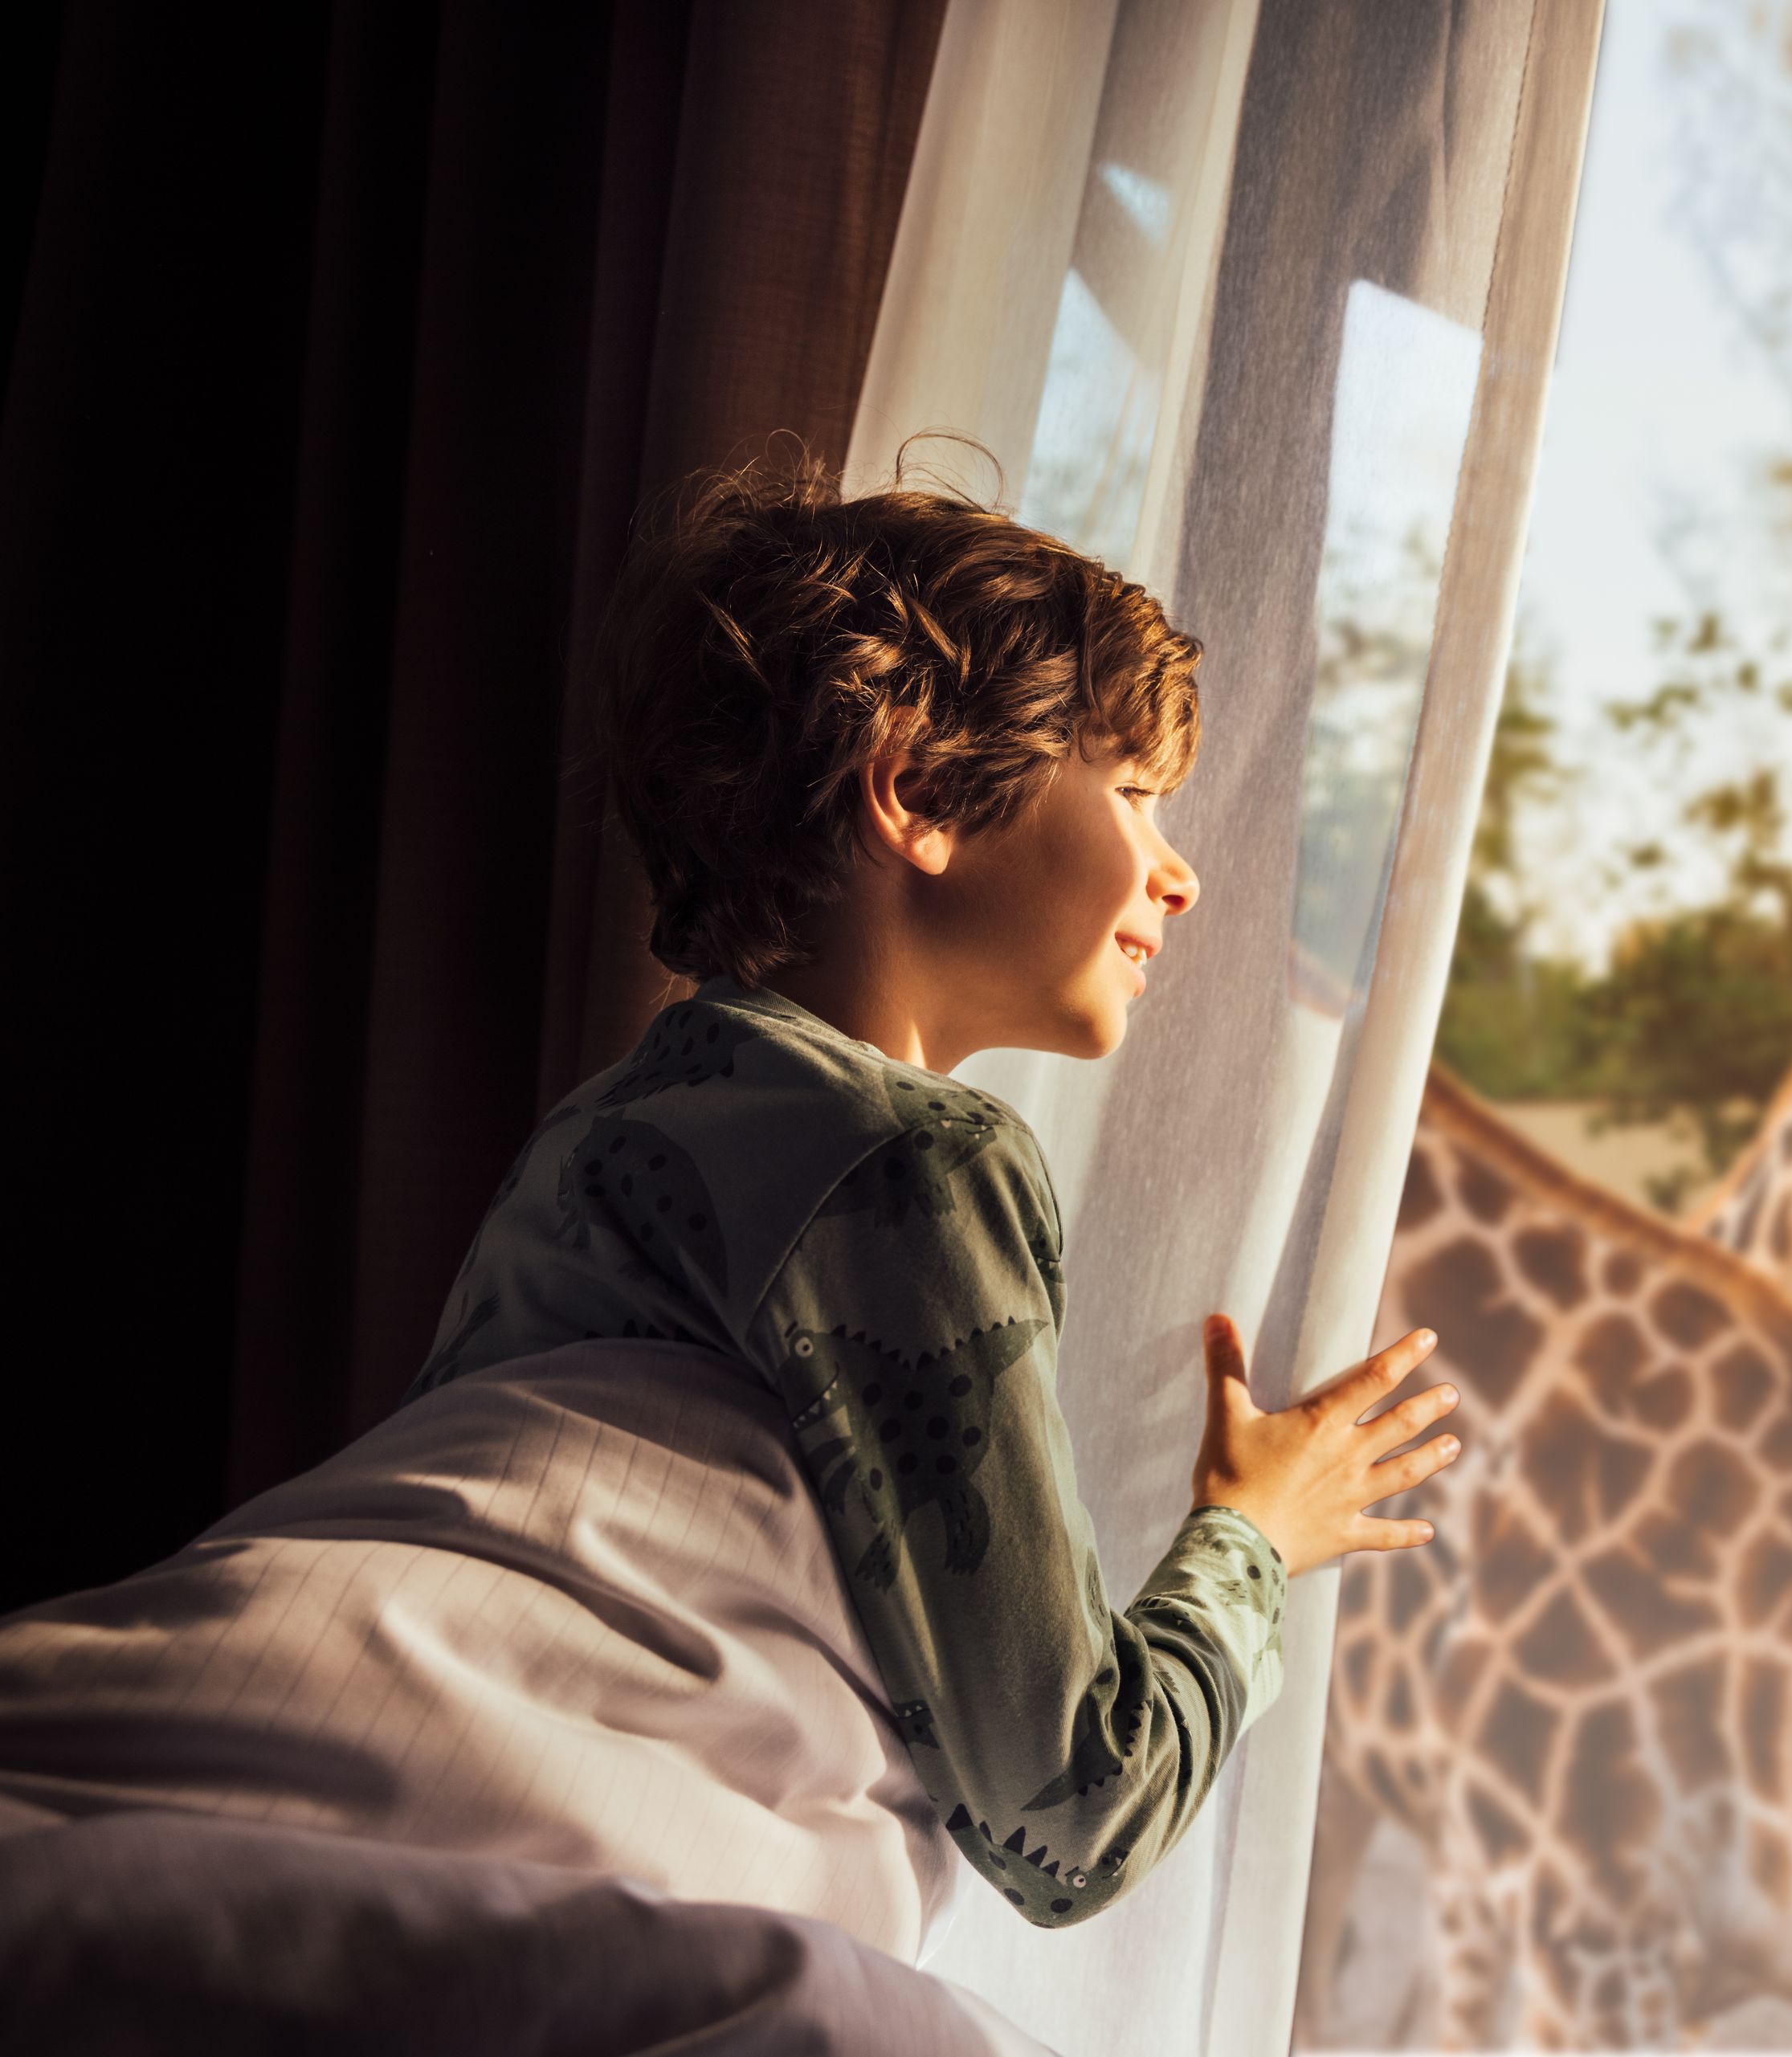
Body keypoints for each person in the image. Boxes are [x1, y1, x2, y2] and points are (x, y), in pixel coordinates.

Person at [0, 455, 1461, 2044]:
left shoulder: (603, 1132)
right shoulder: (923, 1157)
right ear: (913, 794)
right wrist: (1257, 1535)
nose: (1180, 871)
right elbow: (1068, 1809)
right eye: (1132, 793)